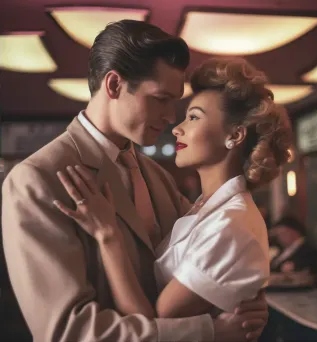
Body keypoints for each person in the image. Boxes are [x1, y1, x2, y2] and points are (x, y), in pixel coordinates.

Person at [2, 20, 269, 342]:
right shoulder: (37, 180)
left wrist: (240, 295)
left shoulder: (156, 174)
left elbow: (206, 260)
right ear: (114, 85)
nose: (172, 117)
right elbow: (66, 332)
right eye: (160, 99)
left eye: (176, 102)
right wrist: (209, 331)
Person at [55, 56, 292, 330]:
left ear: (235, 136)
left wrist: (108, 236)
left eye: (193, 118)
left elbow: (150, 325)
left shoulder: (231, 225)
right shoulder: (203, 207)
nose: (177, 128)